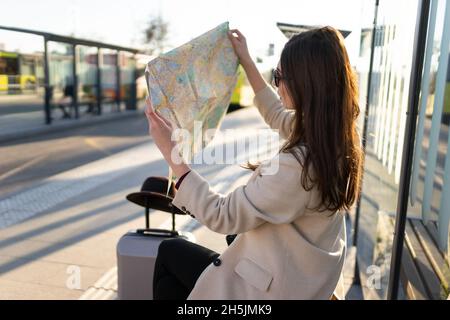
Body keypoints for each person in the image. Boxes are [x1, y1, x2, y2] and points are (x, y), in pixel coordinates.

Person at [145, 26, 363, 300]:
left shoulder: (298, 166)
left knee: (170, 252)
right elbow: (276, 114)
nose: (276, 83)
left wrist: (173, 155)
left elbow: (222, 215)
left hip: (269, 293)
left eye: (280, 76)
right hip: (297, 277)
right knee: (176, 265)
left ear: (305, 83)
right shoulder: (336, 136)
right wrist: (246, 60)